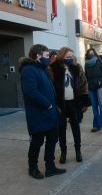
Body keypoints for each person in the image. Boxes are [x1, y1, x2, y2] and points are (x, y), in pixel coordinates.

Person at [19, 44, 66, 179]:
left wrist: (54, 106)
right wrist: (48, 105)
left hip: (50, 114)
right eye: (46, 56)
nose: (48, 58)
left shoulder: (44, 69)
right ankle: (32, 168)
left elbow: (49, 89)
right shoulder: (28, 70)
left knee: (52, 140)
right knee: (37, 143)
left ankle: (50, 167)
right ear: (38, 56)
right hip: (38, 115)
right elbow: (31, 92)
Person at [49, 47, 88, 164]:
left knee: (76, 127)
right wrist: (55, 104)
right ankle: (63, 152)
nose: (70, 59)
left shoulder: (77, 68)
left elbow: (83, 83)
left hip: (74, 103)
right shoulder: (54, 69)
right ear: (62, 56)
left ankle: (78, 151)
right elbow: (51, 87)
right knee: (61, 129)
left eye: (71, 56)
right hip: (61, 103)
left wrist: (85, 100)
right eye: (67, 57)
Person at [84, 48, 102, 132]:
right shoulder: (86, 64)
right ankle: (96, 126)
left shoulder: (100, 62)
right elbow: (86, 76)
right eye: (89, 53)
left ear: (95, 53)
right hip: (91, 88)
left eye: (92, 52)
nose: (91, 54)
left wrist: (100, 81)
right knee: (94, 107)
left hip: (100, 87)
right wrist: (88, 84)